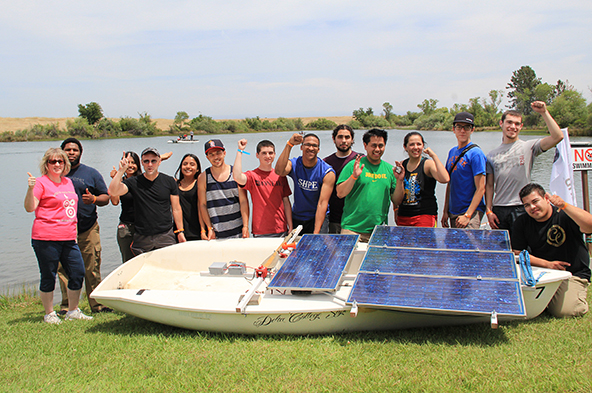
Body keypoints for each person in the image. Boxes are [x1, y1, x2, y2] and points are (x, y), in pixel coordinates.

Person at [24, 148, 92, 323]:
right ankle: (49, 313)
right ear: (46, 164)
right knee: (48, 275)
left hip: (68, 237)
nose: (56, 164)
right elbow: (30, 207)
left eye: (60, 161)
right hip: (45, 238)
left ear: (65, 164)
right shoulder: (40, 183)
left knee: (77, 272)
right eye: (52, 161)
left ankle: (73, 311)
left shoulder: (68, 182)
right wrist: (30, 189)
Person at [512, 183, 591, 317]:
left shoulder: (565, 215)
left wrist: (564, 206)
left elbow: (589, 226)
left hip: (572, 274)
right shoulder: (522, 222)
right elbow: (518, 253)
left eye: (535, 201)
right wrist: (548, 264)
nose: (532, 207)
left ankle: (574, 297)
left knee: (565, 311)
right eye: (527, 205)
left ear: (547, 199)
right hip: (541, 273)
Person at [486, 101, 563, 237]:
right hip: (499, 208)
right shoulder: (491, 155)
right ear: (501, 124)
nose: (512, 127)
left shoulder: (529, 147)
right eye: (509, 122)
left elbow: (557, 137)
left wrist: (544, 112)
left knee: (523, 249)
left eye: (517, 124)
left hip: (522, 206)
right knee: (501, 249)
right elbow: (489, 186)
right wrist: (489, 211)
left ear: (521, 127)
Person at [58, 137, 110, 314]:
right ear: (61, 152)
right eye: (67, 150)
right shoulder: (54, 174)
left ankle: (97, 305)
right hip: (62, 231)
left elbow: (106, 198)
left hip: (87, 229)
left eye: (75, 150)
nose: (71, 153)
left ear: (80, 153)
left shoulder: (91, 173)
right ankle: (67, 306)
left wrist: (94, 199)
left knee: (92, 267)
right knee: (64, 270)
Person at [109, 147, 186, 254]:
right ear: (142, 163)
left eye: (153, 161)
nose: (150, 164)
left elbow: (176, 208)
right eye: (146, 161)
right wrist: (121, 171)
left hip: (165, 235)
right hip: (142, 237)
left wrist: (180, 231)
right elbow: (113, 192)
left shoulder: (169, 181)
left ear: (159, 162)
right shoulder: (133, 182)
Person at [336, 128, 397, 242]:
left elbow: (397, 201)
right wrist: (354, 176)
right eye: (373, 145)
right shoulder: (353, 165)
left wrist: (401, 181)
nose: (377, 149)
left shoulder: (389, 170)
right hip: (352, 229)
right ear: (365, 145)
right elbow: (340, 193)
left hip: (378, 231)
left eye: (381, 146)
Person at [276, 133, 335, 234]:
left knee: (316, 246)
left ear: (318, 149)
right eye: (307, 145)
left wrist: (316, 232)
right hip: (298, 216)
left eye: (314, 145)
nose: (311, 148)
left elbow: (322, 203)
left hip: (317, 217)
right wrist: (289, 144)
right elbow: (279, 171)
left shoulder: (327, 172)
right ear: (301, 147)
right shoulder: (295, 164)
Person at [233, 139, 292, 237]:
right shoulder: (252, 176)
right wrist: (240, 151)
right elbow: (237, 177)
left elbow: (286, 201)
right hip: (260, 231)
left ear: (274, 154)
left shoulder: (280, 175)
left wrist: (290, 225)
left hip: (281, 229)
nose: (268, 156)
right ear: (257, 155)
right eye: (264, 153)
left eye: (270, 153)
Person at [393, 132, 449, 227]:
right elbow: (396, 200)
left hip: (424, 215)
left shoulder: (428, 164)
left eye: (419, 144)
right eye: (411, 144)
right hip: (404, 216)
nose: (416, 147)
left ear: (423, 146)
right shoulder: (402, 165)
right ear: (405, 147)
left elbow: (445, 179)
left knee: (424, 241)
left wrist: (434, 156)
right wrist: (399, 180)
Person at [442, 112, 486, 229]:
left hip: (470, 212)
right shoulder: (452, 152)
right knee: (454, 246)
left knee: (468, 246)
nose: (462, 131)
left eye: (466, 127)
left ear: (472, 130)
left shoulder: (476, 153)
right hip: (454, 211)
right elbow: (450, 184)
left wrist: (468, 215)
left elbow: (481, 188)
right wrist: (445, 211)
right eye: (459, 127)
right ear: (453, 129)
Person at [198, 139, 249, 240]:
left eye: (218, 153)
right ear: (207, 157)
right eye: (211, 154)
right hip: (216, 234)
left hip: (238, 232)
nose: (216, 157)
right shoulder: (203, 177)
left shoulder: (235, 173)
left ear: (224, 153)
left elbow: (243, 201)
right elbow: (202, 205)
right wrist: (209, 227)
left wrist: (245, 226)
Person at [323, 125, 358, 234]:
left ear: (352, 140)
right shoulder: (326, 163)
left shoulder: (360, 161)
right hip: (334, 219)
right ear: (334, 139)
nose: (344, 141)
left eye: (347, 137)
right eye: (340, 137)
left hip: (355, 220)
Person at [110, 151, 141, 263]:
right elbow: (114, 201)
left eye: (133, 162)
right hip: (126, 227)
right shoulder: (121, 182)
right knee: (127, 261)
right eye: (127, 162)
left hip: (142, 227)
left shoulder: (143, 180)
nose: (130, 165)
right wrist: (116, 178)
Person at [175, 153, 204, 241]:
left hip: (198, 231)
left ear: (197, 169)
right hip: (179, 232)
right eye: (185, 164)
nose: (188, 167)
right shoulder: (174, 184)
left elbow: (202, 207)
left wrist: (204, 230)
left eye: (192, 164)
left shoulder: (200, 184)